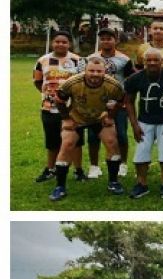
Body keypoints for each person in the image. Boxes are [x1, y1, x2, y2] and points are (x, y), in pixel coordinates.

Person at [48, 55, 126, 201]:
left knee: (112, 142)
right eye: (91, 71)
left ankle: (113, 182)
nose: (95, 74)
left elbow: (121, 101)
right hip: (76, 118)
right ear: (85, 70)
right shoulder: (73, 82)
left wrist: (110, 116)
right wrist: (66, 119)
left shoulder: (113, 85)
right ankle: (60, 187)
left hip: (99, 118)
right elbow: (58, 99)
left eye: (98, 71)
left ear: (105, 72)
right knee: (67, 144)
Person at [124, 48, 163, 199]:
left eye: (155, 60)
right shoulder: (135, 78)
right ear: (144, 62)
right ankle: (142, 184)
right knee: (141, 154)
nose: (152, 63)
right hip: (145, 121)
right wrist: (135, 125)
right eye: (148, 60)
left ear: (162, 61)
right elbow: (129, 102)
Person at [33, 30, 84, 184]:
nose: (60, 44)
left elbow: (83, 82)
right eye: (57, 41)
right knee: (52, 141)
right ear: (52, 43)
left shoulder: (78, 60)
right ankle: (50, 169)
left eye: (64, 42)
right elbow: (37, 81)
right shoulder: (42, 61)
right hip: (50, 108)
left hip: (73, 109)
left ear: (69, 44)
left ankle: (78, 170)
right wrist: (50, 96)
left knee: (76, 141)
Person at [86, 27, 135, 180]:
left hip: (118, 103)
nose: (106, 41)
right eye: (103, 39)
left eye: (109, 38)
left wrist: (126, 101)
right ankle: (94, 166)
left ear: (116, 40)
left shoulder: (124, 60)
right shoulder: (90, 58)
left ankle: (122, 163)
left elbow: (130, 82)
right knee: (93, 135)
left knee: (121, 134)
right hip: (96, 103)